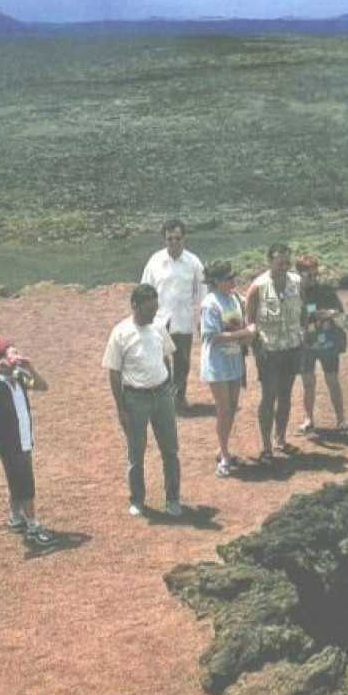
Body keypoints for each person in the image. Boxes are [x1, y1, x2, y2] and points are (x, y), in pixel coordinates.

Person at [102, 284, 181, 518]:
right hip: (135, 399)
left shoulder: (158, 327)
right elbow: (114, 372)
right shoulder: (120, 333)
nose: (153, 313)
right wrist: (121, 408)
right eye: (149, 308)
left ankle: (173, 498)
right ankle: (137, 499)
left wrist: (170, 386)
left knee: (170, 450)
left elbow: (166, 357)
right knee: (136, 453)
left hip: (162, 394)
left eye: (155, 307)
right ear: (135, 306)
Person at [0, 338, 54, 545]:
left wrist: (31, 368)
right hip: (10, 443)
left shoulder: (20, 378)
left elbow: (43, 386)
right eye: (11, 354)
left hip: (23, 439)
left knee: (16, 482)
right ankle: (33, 526)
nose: (16, 356)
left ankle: (16, 519)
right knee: (25, 485)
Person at [246, 244, 305, 460]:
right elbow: (250, 321)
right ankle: (266, 445)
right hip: (269, 351)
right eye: (279, 263)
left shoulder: (297, 283)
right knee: (268, 397)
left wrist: (304, 332)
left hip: (291, 347)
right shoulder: (258, 287)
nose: (283, 267)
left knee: (286, 395)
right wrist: (256, 349)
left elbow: (304, 309)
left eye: (287, 263)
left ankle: (280, 438)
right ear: (269, 261)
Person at [140, 218, 204, 413]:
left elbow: (202, 293)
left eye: (177, 238)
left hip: (183, 319)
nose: (174, 242)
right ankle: (165, 397)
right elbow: (145, 288)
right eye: (170, 239)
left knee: (182, 361)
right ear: (164, 239)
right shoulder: (155, 261)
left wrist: (201, 318)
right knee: (159, 359)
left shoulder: (193, 262)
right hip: (159, 319)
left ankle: (180, 396)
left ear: (184, 238)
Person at [199, 259, 254, 477]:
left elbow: (249, 310)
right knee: (224, 410)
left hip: (234, 361)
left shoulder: (235, 298)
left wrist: (251, 329)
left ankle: (222, 449)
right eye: (228, 278)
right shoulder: (210, 303)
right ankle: (223, 456)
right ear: (217, 281)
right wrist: (244, 334)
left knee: (231, 408)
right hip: (217, 364)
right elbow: (213, 335)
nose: (232, 280)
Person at [296, 252, 348, 435]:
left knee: (332, 379)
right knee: (308, 382)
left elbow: (338, 310)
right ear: (300, 273)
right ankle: (309, 419)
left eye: (314, 273)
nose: (312, 277)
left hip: (326, 340)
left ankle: (341, 420)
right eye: (308, 274)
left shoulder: (324, 289)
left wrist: (327, 314)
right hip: (305, 342)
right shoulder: (295, 292)